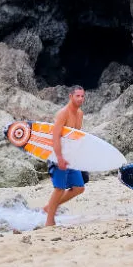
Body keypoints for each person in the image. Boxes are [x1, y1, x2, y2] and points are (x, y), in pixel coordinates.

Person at [44, 86, 86, 227]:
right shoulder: (63, 113)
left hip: (71, 156)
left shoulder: (80, 114)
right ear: (70, 96)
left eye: (82, 96)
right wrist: (59, 157)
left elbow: (76, 137)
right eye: (77, 96)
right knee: (59, 188)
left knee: (79, 187)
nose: (80, 99)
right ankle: (49, 222)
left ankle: (49, 207)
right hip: (58, 155)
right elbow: (55, 136)